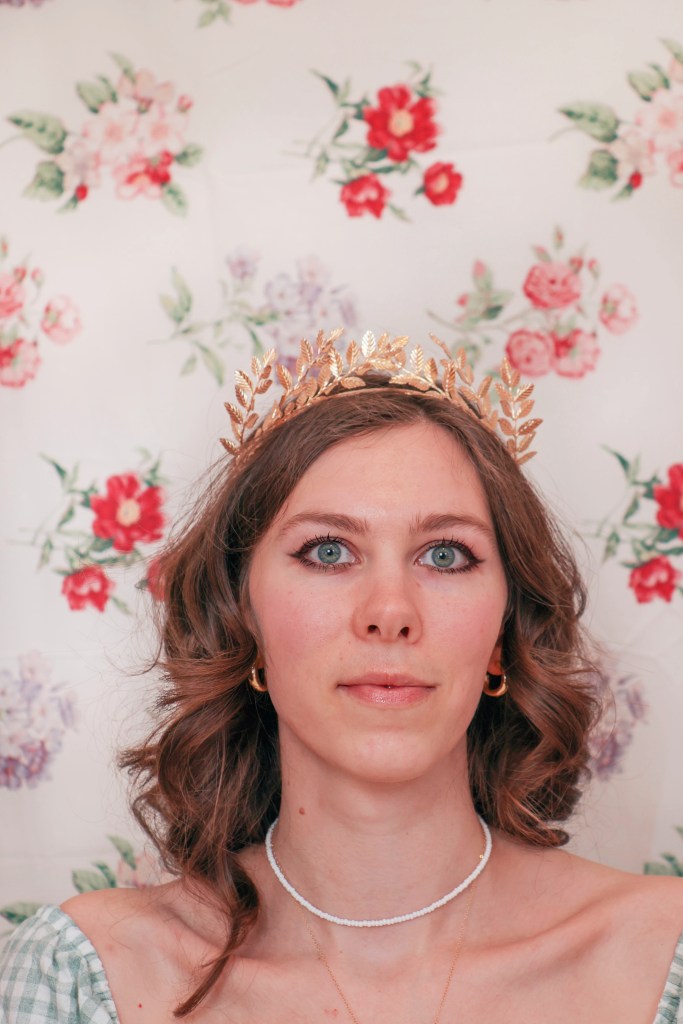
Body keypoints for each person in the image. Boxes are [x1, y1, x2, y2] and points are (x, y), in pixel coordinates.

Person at [1, 330, 682, 1024]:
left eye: (445, 555)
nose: (390, 612)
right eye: (327, 551)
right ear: (244, 622)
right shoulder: (84, 978)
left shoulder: (664, 957)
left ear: (506, 634)